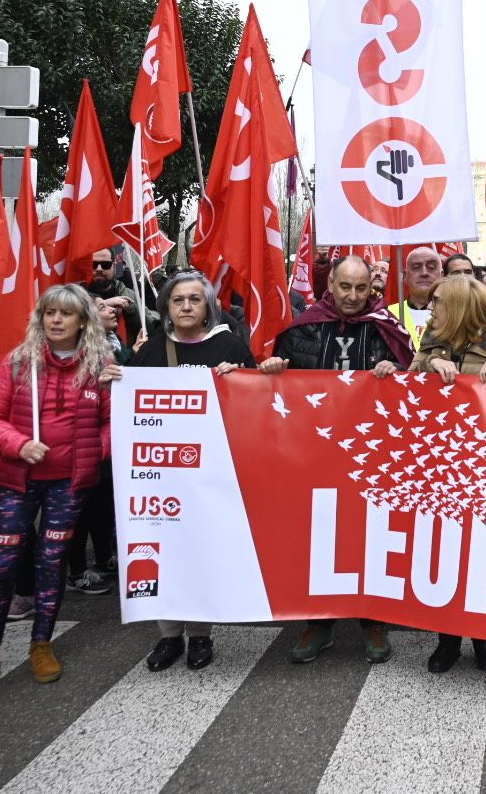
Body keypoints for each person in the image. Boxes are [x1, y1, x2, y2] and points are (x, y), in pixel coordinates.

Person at [261, 256, 413, 666]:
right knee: (317, 538)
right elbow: (279, 390)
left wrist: (396, 369)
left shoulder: (386, 329)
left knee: (369, 538)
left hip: (372, 454)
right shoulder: (302, 327)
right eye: (345, 287)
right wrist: (273, 369)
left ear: (371, 289)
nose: (352, 296)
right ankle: (319, 622)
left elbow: (413, 382)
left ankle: (373, 619)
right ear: (332, 284)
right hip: (314, 453)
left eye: (360, 288)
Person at [0, 285, 115, 693]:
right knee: (0, 564)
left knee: (51, 563)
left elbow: (114, 423)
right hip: (17, 481)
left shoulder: (101, 365)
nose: (56, 320)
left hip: (69, 485)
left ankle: (41, 644)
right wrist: (18, 445)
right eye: (49, 312)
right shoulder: (18, 362)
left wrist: (90, 452)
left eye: (66, 313)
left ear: (83, 319)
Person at [127, 271, 256, 673]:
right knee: (163, 552)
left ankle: (200, 635)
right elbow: (127, 403)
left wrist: (239, 380)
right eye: (178, 299)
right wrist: (115, 378)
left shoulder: (229, 345)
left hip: (211, 472)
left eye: (194, 300)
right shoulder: (150, 351)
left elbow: (253, 403)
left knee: (201, 551)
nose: (185, 306)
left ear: (208, 307)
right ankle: (169, 636)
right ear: (166, 306)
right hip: (160, 474)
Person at [408, 275, 486, 673]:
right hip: (440, 464)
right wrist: (428, 362)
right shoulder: (433, 339)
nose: (431, 308)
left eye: (438, 301)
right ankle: (447, 640)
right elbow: (409, 387)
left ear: (459, 304)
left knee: (481, 555)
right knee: (445, 554)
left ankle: (484, 638)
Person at [67, 298, 134, 596]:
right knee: (77, 513)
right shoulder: (67, 356)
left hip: (101, 450)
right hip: (72, 451)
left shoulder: (110, 348)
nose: (112, 311)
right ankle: (77, 569)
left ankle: (104, 555)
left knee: (102, 506)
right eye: (103, 307)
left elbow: (113, 408)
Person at [388, 246, 443, 350]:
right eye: (416, 267)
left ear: (442, 275)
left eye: (431, 267)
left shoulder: (455, 315)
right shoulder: (389, 315)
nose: (424, 273)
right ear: (405, 276)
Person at [83, 248, 142, 344]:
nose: (99, 269)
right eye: (94, 264)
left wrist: (132, 310)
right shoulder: (76, 296)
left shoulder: (129, 294)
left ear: (114, 267)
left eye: (106, 264)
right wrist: (103, 305)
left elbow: (149, 328)